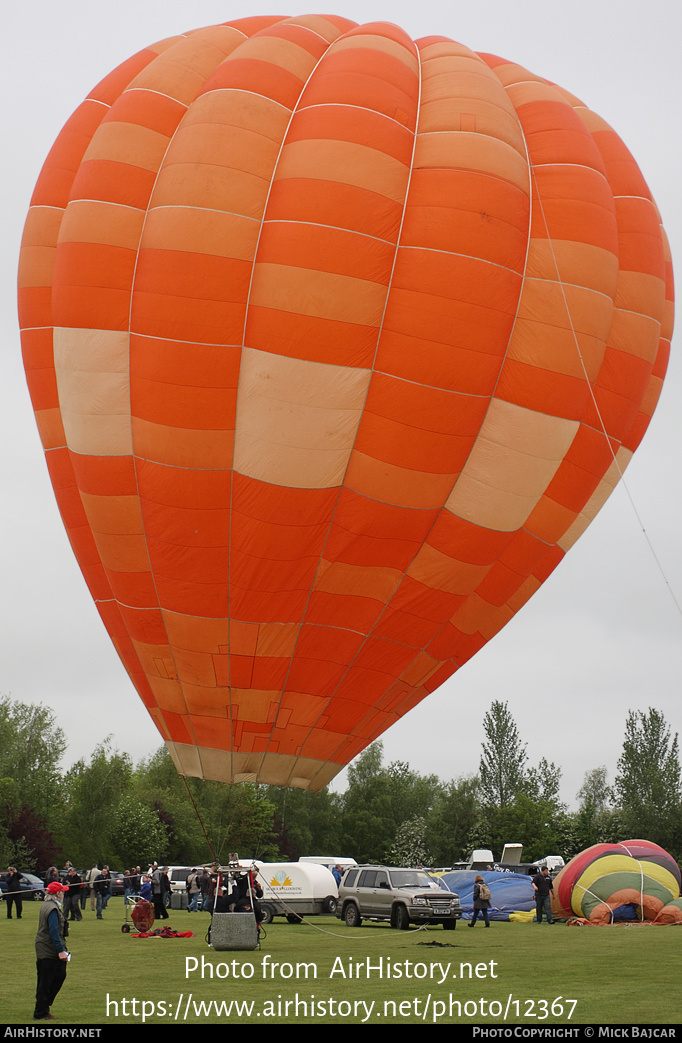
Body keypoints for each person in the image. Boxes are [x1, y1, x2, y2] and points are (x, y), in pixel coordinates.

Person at [34, 881, 70, 1021]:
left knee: (50, 977)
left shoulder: (47, 905)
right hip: (48, 948)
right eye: (62, 891)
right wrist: (61, 950)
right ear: (57, 894)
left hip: (44, 946)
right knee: (50, 979)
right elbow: (54, 931)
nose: (63, 894)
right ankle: (41, 1011)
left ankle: (42, 1007)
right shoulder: (52, 909)